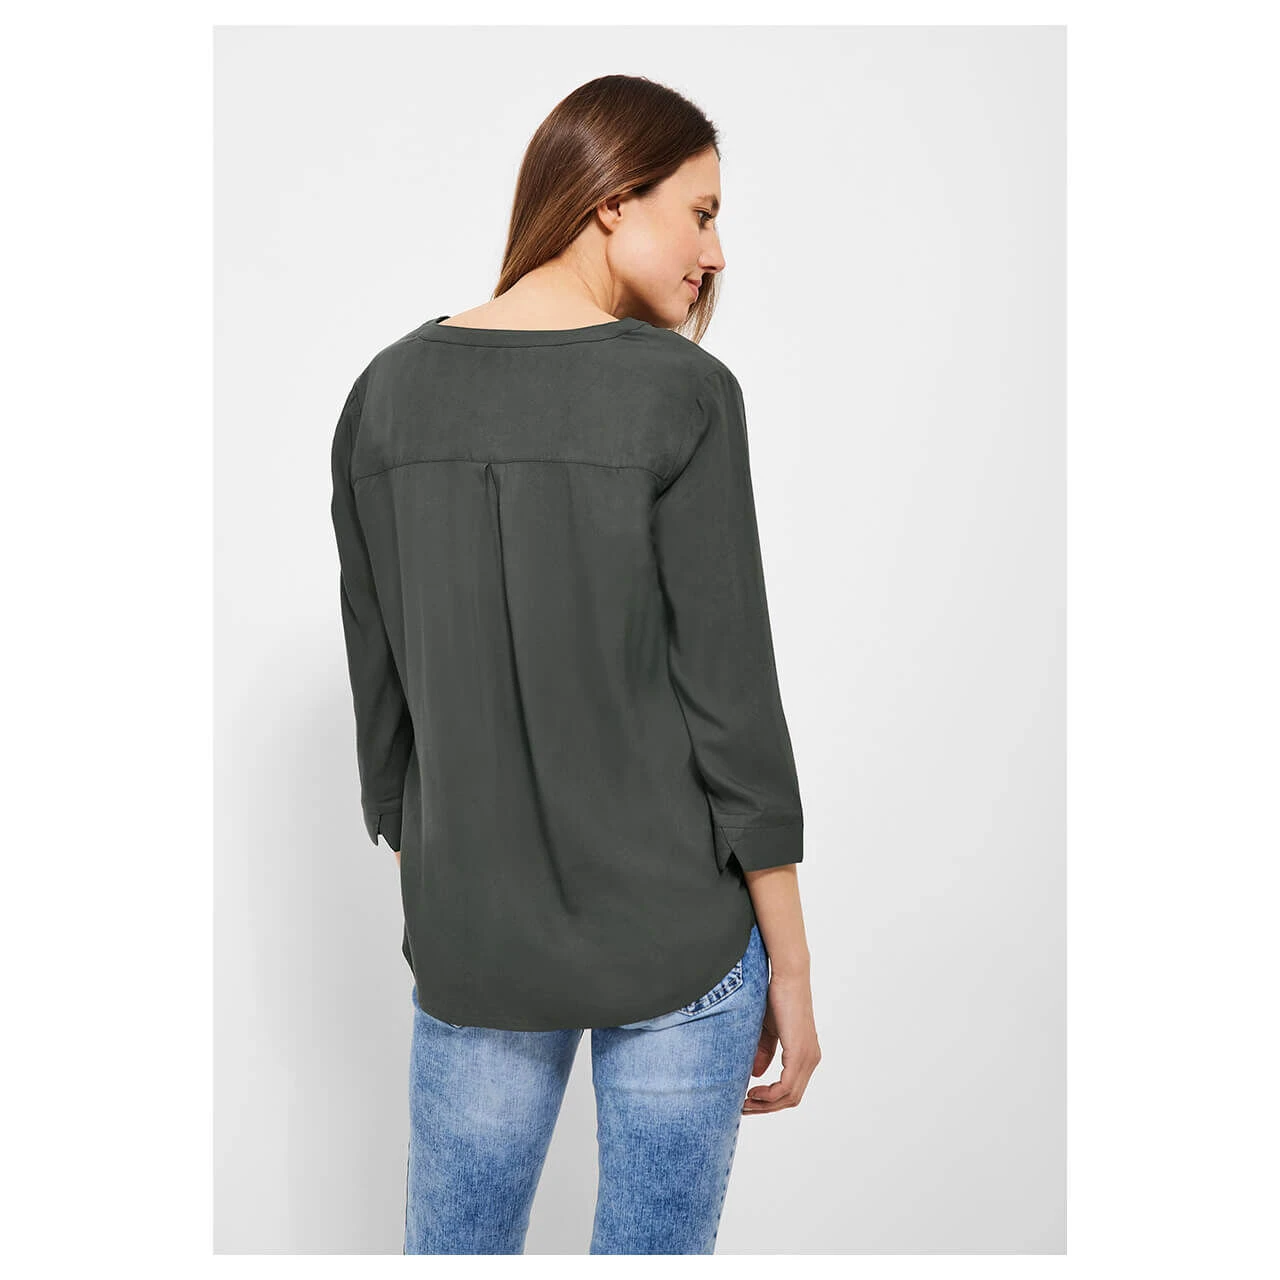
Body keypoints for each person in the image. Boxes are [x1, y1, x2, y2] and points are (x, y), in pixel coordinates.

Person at [329, 74, 822, 1255]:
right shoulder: (683, 394)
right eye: (699, 212)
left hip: (474, 947)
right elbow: (731, 702)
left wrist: (462, 873)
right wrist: (792, 972)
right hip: (681, 941)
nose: (715, 251)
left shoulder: (381, 397)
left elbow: (383, 711)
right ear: (609, 200)